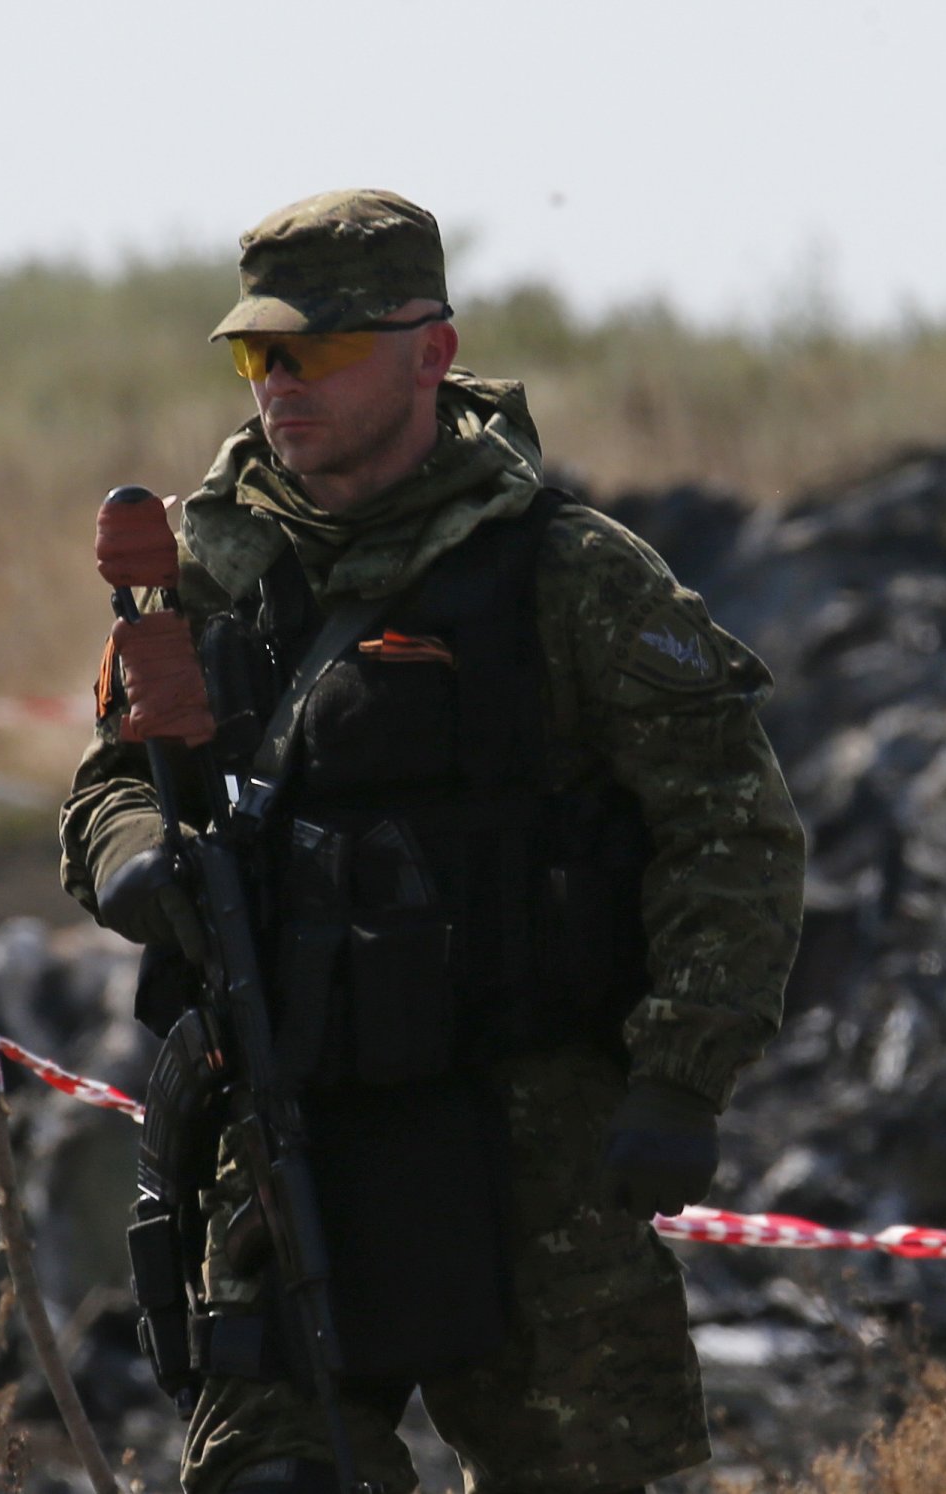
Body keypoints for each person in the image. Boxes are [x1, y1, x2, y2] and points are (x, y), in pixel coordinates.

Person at [61, 190, 804, 1494]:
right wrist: (138, 856)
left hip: (536, 1146)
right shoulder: (206, 578)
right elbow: (111, 784)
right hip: (291, 1129)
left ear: (431, 354)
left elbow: (730, 830)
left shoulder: (568, 576)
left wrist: (682, 1073)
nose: (282, 386)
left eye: (320, 351)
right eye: (258, 354)